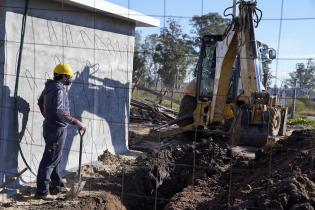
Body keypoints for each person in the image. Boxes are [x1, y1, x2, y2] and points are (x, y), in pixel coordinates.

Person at [35, 64, 85, 199]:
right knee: (50, 160)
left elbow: (40, 103)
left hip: (49, 127)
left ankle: (56, 186)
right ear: (63, 76)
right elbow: (60, 111)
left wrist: (48, 117)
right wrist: (77, 122)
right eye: (68, 77)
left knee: (55, 158)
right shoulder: (59, 89)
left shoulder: (49, 87)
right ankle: (42, 192)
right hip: (57, 129)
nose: (70, 79)